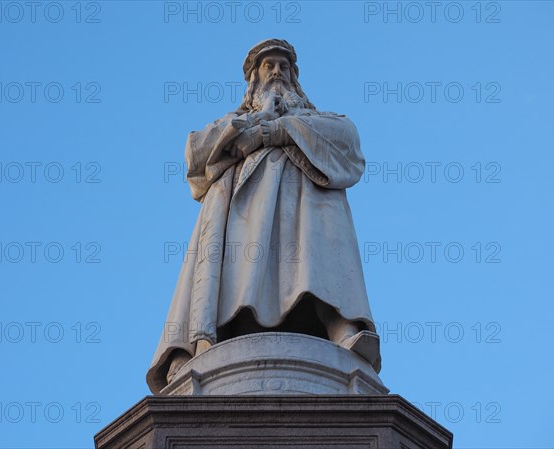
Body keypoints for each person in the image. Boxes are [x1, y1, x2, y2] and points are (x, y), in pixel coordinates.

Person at [147, 39, 380, 394]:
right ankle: (196, 344)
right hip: (240, 208)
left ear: (294, 76)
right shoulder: (235, 121)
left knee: (324, 221)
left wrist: (281, 130)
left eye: (283, 67)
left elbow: (348, 143)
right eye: (268, 66)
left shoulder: (314, 120)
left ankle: (340, 323)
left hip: (305, 207)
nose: (276, 73)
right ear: (253, 78)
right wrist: (257, 124)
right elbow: (196, 154)